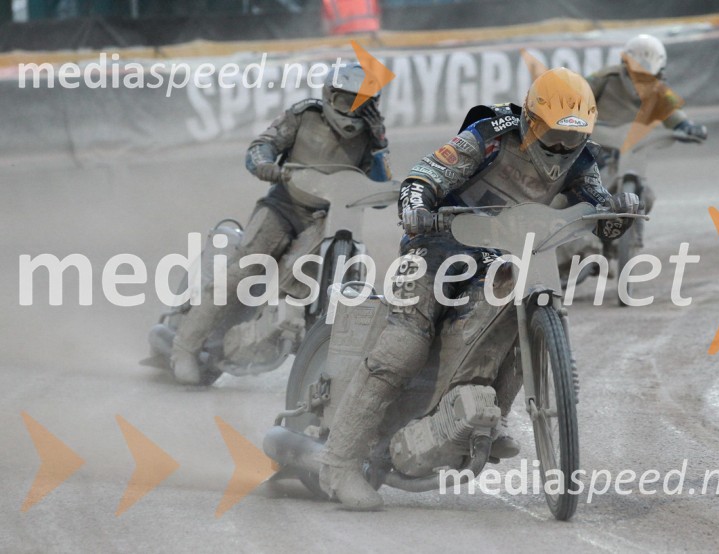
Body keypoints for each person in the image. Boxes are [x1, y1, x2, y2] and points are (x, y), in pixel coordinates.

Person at [318, 67, 641, 510]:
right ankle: (340, 464)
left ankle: (493, 412)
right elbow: (425, 174)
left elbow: (594, 201)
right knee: (404, 347)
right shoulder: (489, 134)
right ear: (530, 118)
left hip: (501, 252)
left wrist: (615, 212)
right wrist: (416, 204)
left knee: (515, 316)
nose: (562, 147)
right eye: (554, 134)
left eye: (573, 136)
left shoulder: (582, 156)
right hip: (438, 244)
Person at [170, 62, 392, 384]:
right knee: (240, 272)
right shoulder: (304, 116)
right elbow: (261, 147)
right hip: (283, 205)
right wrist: (265, 165)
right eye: (348, 101)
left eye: (364, 104)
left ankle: (268, 337)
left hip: (328, 217)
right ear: (330, 95)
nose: (355, 112)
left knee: (296, 279)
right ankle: (184, 348)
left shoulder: (372, 140)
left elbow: (382, 193)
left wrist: (381, 142)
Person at [587, 33, 707, 214]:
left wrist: (686, 126)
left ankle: (631, 236)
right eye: (636, 75)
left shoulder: (658, 89)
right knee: (583, 184)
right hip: (598, 142)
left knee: (647, 198)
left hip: (633, 147)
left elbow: (671, 111)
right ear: (625, 66)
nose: (640, 82)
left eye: (647, 77)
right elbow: (578, 93)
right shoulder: (605, 77)